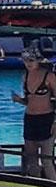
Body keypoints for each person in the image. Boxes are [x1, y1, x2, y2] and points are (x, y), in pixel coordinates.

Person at [11, 49, 56, 180]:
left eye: (31, 60)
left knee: (47, 159)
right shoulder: (25, 76)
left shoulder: (49, 76)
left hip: (47, 118)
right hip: (30, 118)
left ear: (38, 61)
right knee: (32, 159)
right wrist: (18, 100)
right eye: (25, 61)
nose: (28, 63)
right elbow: (29, 101)